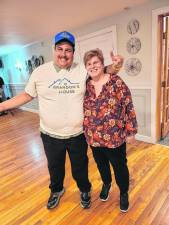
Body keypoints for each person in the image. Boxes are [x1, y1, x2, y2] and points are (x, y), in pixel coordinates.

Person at [0, 31, 123, 210]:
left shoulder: (82, 69)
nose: (63, 54)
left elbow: (104, 71)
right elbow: (27, 95)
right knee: (55, 167)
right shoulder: (40, 72)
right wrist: (2, 106)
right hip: (50, 134)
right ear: (54, 50)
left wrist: (118, 65)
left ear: (73, 52)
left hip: (78, 134)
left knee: (80, 167)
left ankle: (84, 190)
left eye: (68, 50)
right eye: (60, 49)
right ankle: (56, 190)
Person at [83, 49, 137, 212]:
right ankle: (106, 184)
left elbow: (128, 105)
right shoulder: (85, 84)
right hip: (93, 136)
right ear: (86, 67)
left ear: (102, 63)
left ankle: (123, 192)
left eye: (96, 62)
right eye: (89, 64)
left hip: (115, 136)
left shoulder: (116, 81)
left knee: (119, 166)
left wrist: (131, 131)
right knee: (101, 165)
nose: (93, 66)